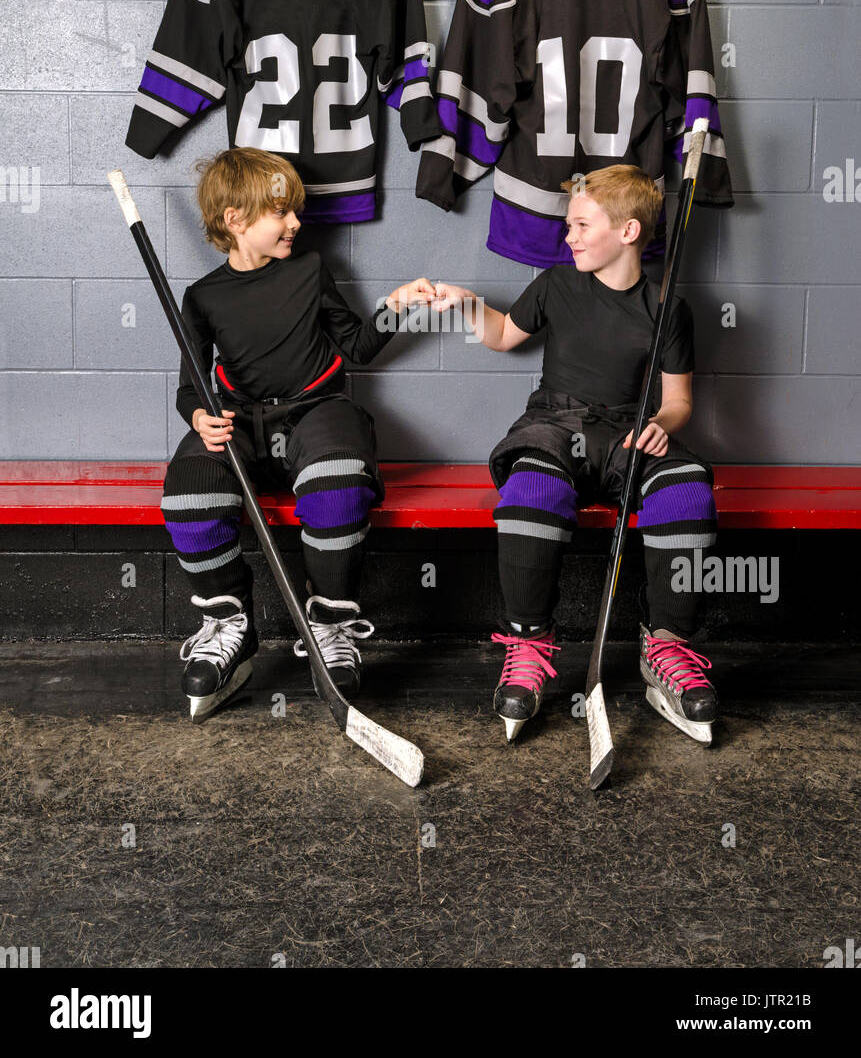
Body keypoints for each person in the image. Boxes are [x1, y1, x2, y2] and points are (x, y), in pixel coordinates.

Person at [431, 165, 719, 744]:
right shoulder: (557, 285)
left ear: (629, 232)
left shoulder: (668, 308)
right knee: (531, 491)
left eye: (582, 225)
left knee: (687, 489)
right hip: (553, 424)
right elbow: (503, 334)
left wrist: (662, 423)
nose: (570, 237)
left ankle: (667, 648)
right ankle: (528, 644)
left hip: (628, 432)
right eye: (570, 226)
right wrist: (465, 303)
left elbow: (680, 400)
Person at [161, 146, 434, 721]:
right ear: (236, 221)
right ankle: (228, 624)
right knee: (187, 485)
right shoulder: (203, 297)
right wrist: (198, 417)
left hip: (316, 412)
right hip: (241, 420)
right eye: (282, 213)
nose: (295, 223)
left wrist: (396, 306)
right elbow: (192, 388)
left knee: (339, 479)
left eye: (296, 212)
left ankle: (330, 625)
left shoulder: (309, 271)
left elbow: (356, 345)